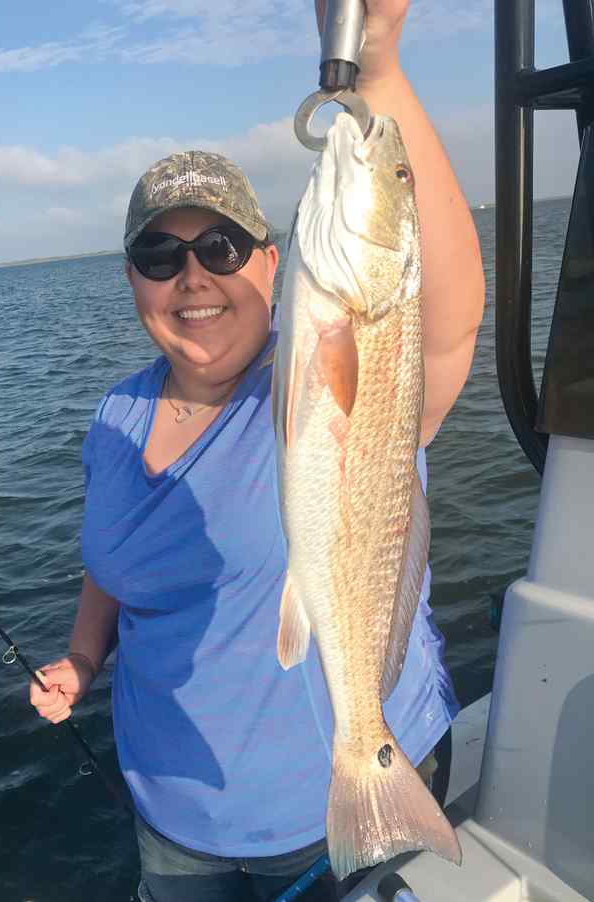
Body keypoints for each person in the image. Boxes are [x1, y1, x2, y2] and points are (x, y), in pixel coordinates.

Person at [30, 1, 485, 899]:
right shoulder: (117, 415)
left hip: (324, 815)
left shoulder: (330, 358)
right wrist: (84, 657)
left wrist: (380, 63)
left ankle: (371, 763)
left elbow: (444, 331)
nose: (192, 273)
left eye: (220, 246)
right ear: (133, 282)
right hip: (173, 822)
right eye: (160, 253)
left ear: (271, 263)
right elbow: (110, 562)